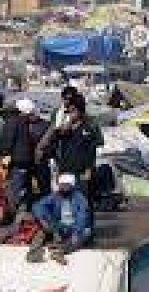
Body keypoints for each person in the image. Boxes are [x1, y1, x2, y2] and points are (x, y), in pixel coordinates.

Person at [37, 94, 102, 225]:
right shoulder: (64, 129)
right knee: (67, 203)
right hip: (66, 170)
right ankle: (70, 230)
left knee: (83, 202)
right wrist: (60, 128)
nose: (70, 114)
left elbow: (92, 149)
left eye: (72, 111)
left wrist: (89, 169)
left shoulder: (89, 126)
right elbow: (49, 143)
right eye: (68, 111)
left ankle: (86, 229)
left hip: (82, 171)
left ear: (80, 111)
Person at [27, 174, 91, 265]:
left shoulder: (80, 198)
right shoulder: (55, 195)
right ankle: (33, 253)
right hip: (59, 226)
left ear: (72, 185)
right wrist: (42, 220)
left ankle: (59, 252)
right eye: (61, 185)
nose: (63, 187)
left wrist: (76, 232)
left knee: (85, 233)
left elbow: (82, 217)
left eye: (66, 185)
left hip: (74, 227)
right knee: (41, 230)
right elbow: (37, 206)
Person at [0, 98, 41, 209]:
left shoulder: (12, 121)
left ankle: (12, 208)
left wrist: (2, 156)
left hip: (16, 160)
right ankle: (23, 206)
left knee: (13, 186)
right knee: (22, 185)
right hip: (26, 159)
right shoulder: (25, 122)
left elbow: (7, 141)